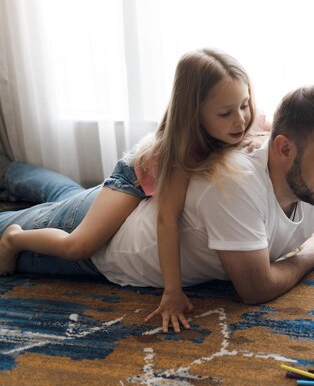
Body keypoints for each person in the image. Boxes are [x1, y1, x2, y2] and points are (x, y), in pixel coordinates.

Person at [0, 84, 314, 324]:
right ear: (284, 149)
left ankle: (15, 168)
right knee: (31, 223)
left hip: (121, 205)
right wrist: (311, 254)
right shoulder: (237, 184)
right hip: (105, 252)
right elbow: (254, 289)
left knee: (65, 194)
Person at [0, 48, 258, 333]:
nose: (240, 120)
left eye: (244, 105)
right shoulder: (182, 152)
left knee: (70, 199)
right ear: (194, 113)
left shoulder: (236, 120)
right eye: (226, 113)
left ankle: (30, 180)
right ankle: (15, 238)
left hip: (147, 173)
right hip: (132, 181)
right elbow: (166, 219)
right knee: (79, 246)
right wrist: (172, 291)